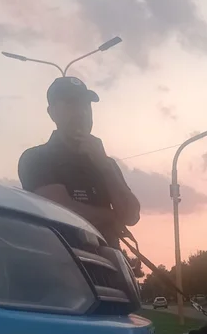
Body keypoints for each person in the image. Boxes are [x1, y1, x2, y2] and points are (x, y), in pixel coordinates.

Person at [18, 76, 140, 248]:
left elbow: (131, 215)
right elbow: (61, 211)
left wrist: (105, 167)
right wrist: (113, 216)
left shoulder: (106, 163)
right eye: (71, 104)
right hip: (62, 258)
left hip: (107, 261)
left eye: (85, 105)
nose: (81, 112)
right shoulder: (36, 158)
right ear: (52, 112)